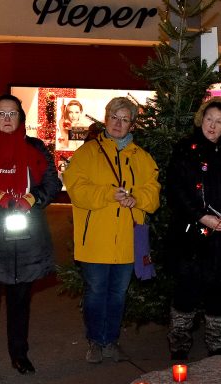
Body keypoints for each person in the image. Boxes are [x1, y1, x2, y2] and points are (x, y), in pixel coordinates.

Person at [0, 94, 62, 378]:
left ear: (20, 118)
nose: (6, 119)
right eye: (0, 114)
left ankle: (19, 355)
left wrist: (33, 199)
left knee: (20, 302)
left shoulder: (35, 147)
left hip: (26, 234)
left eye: (12, 114)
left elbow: (52, 181)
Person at [63, 97, 160, 363]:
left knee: (118, 295)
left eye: (125, 119)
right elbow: (77, 190)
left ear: (132, 124)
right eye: (114, 118)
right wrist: (109, 194)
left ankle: (111, 341)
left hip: (128, 241)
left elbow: (153, 194)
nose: (118, 124)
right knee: (95, 293)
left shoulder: (142, 157)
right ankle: (95, 340)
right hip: (94, 241)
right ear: (106, 119)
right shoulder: (86, 153)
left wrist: (135, 198)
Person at [165, 99, 221, 359]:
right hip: (191, 237)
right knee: (187, 292)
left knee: (219, 293)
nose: (213, 126)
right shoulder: (185, 150)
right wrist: (200, 217)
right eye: (209, 119)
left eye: (219, 121)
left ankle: (218, 345)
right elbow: (176, 191)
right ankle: (179, 345)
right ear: (201, 119)